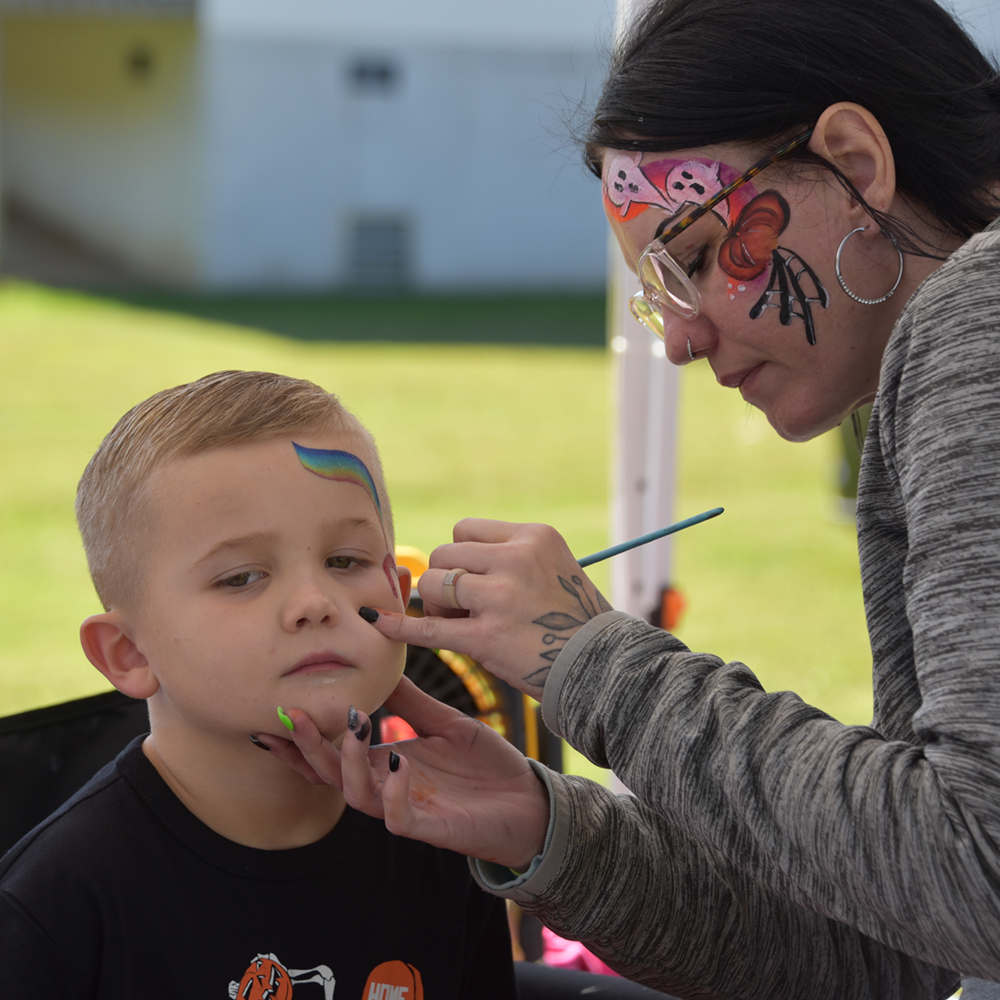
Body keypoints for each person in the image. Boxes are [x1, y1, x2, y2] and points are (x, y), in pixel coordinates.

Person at [262, 1, 1000, 997]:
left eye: (695, 257)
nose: (680, 339)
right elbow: (911, 945)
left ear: (855, 161)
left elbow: (976, 876)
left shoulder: (980, 320)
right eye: (660, 292)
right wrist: (543, 823)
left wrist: (590, 661)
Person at [0, 370, 516, 999]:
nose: (314, 602)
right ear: (129, 653)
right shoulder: (56, 908)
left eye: (345, 561)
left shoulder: (443, 838)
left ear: (400, 598)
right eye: (242, 577)